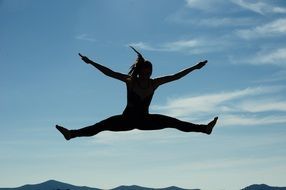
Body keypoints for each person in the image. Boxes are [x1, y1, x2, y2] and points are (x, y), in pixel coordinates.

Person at [56, 47, 218, 140]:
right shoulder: (130, 81)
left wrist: (194, 67)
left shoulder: (154, 83)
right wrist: (91, 62)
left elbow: (176, 76)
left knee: (174, 122)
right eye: (145, 72)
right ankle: (71, 134)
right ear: (139, 71)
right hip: (125, 120)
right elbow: (109, 72)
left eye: (150, 72)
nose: (148, 74)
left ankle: (205, 129)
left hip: (145, 121)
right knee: (100, 126)